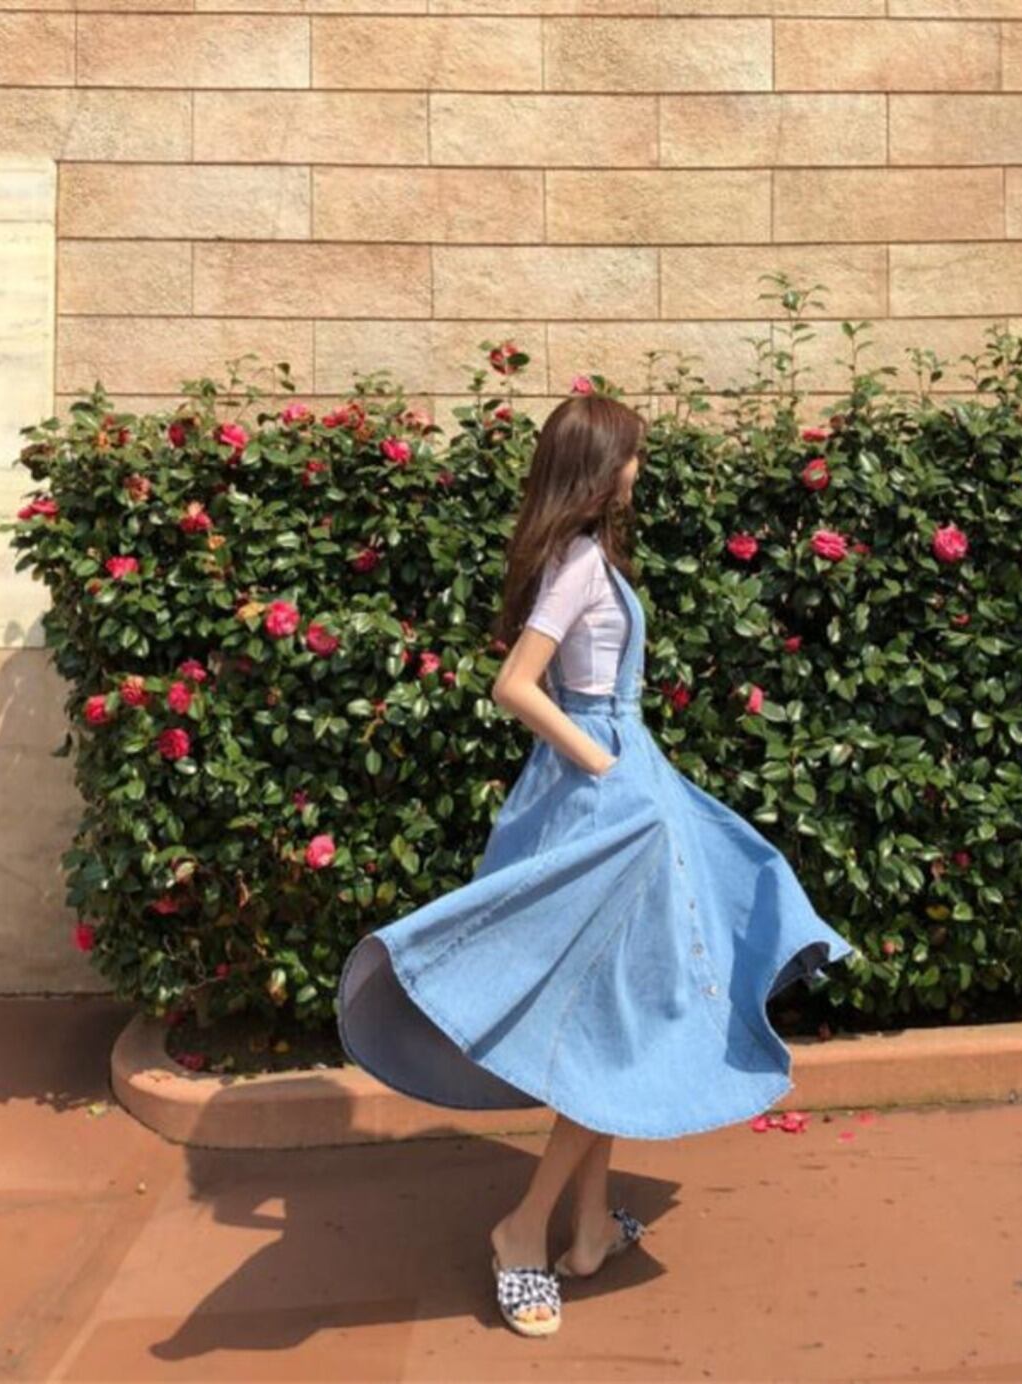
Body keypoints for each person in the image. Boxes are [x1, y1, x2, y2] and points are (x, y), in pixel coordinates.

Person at [336, 392, 859, 1338]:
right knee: (617, 1025)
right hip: (606, 807)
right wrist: (608, 767)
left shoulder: (584, 558)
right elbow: (515, 685)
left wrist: (623, 768)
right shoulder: (579, 564)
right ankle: (522, 1230)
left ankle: (584, 1231)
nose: (638, 471)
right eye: (631, 456)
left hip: (623, 789)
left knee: (617, 1017)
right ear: (600, 465)